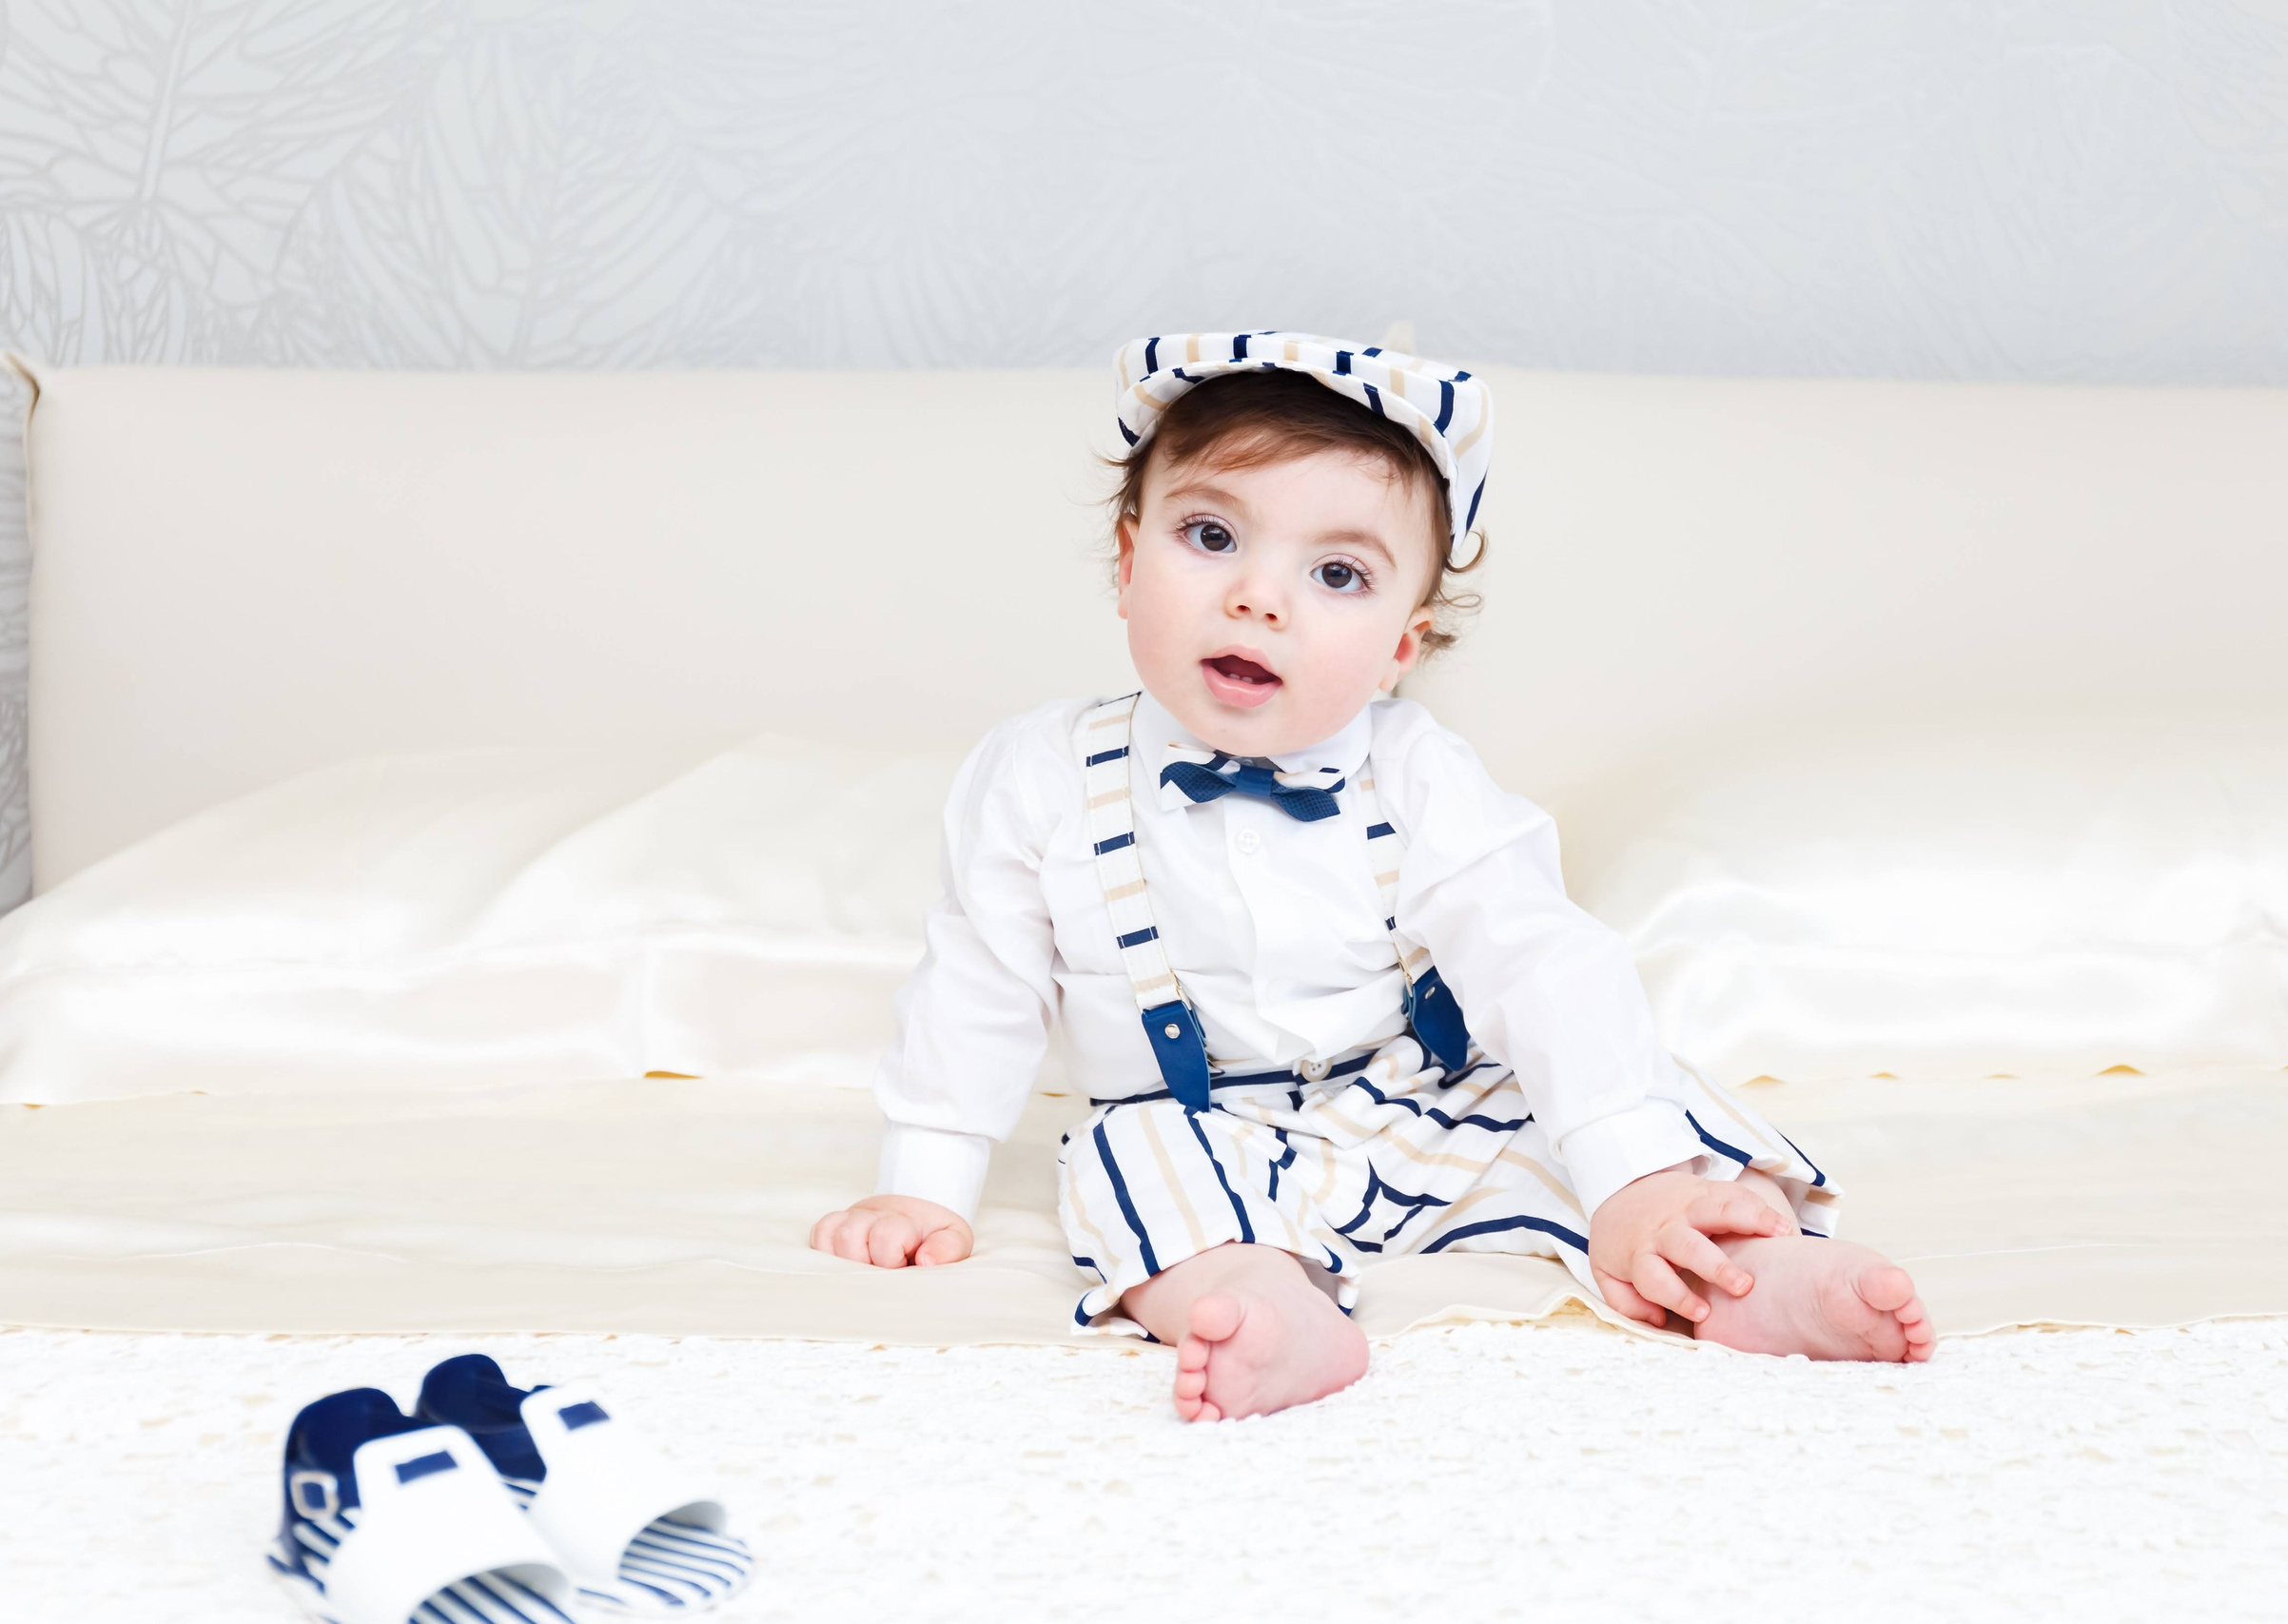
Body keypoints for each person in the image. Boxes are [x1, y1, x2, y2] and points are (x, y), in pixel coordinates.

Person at [812, 333, 1935, 1420]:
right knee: (1122, 1161)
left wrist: (1631, 1169)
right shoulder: (1037, 772)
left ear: (1405, 644)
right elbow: (978, 981)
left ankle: (1734, 1270)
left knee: (1618, 1096)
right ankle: (1260, 1302)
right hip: (1212, 1136)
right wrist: (925, 1179)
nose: (1260, 597)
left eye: (1338, 573)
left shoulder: (1419, 769)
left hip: (1424, 1102)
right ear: (1123, 559)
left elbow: (1537, 956)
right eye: (1210, 536)